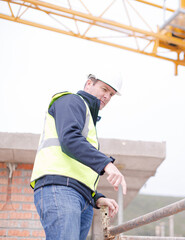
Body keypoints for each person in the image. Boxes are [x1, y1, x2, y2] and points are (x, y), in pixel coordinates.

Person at [30, 72, 127, 240]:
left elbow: (78, 166)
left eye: (111, 94)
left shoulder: (88, 119)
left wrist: (95, 197)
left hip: (81, 198)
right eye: (104, 89)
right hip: (61, 189)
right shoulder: (71, 101)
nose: (107, 96)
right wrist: (107, 164)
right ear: (89, 83)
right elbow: (70, 140)